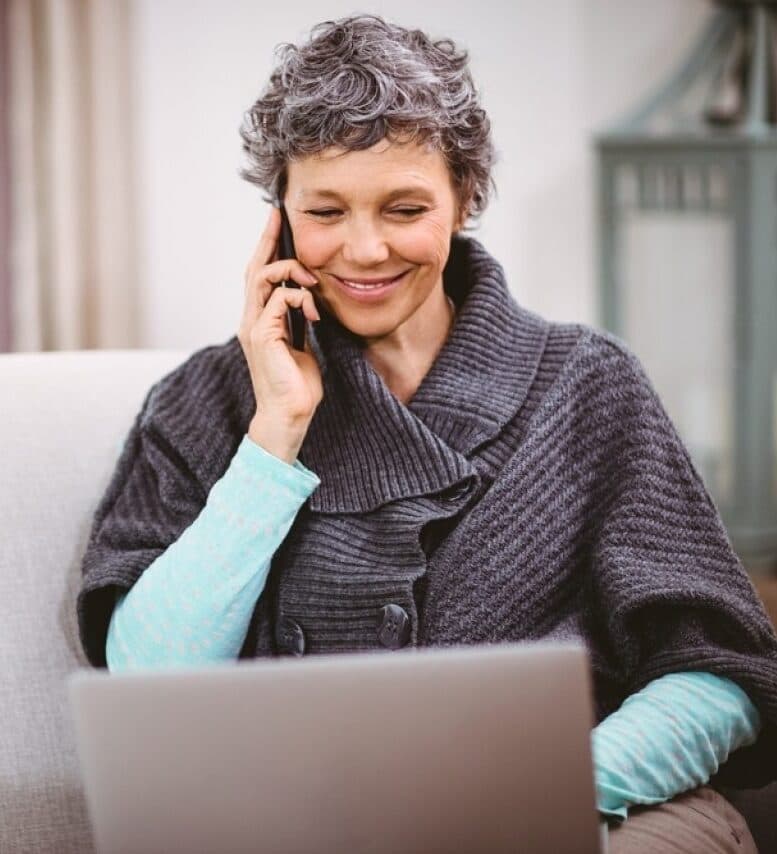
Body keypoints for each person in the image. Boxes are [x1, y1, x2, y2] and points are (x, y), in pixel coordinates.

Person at [76, 14, 777, 852]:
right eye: (325, 210)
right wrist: (275, 438)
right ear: (281, 218)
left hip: (596, 815)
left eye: (404, 207)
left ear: (464, 199)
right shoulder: (206, 402)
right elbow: (151, 685)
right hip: (313, 825)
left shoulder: (587, 385)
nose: (364, 250)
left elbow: (717, 673)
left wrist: (549, 794)